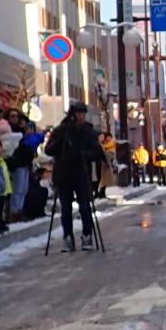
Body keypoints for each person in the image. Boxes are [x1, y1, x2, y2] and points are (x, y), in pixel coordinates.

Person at [45, 102, 102, 248]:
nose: (82, 117)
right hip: (63, 174)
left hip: (81, 173)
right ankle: (68, 237)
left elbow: (97, 152)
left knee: (85, 206)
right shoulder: (61, 131)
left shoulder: (88, 131)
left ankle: (87, 235)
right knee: (66, 208)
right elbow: (49, 149)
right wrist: (60, 145)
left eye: (83, 113)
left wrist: (85, 155)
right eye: (79, 114)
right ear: (72, 115)